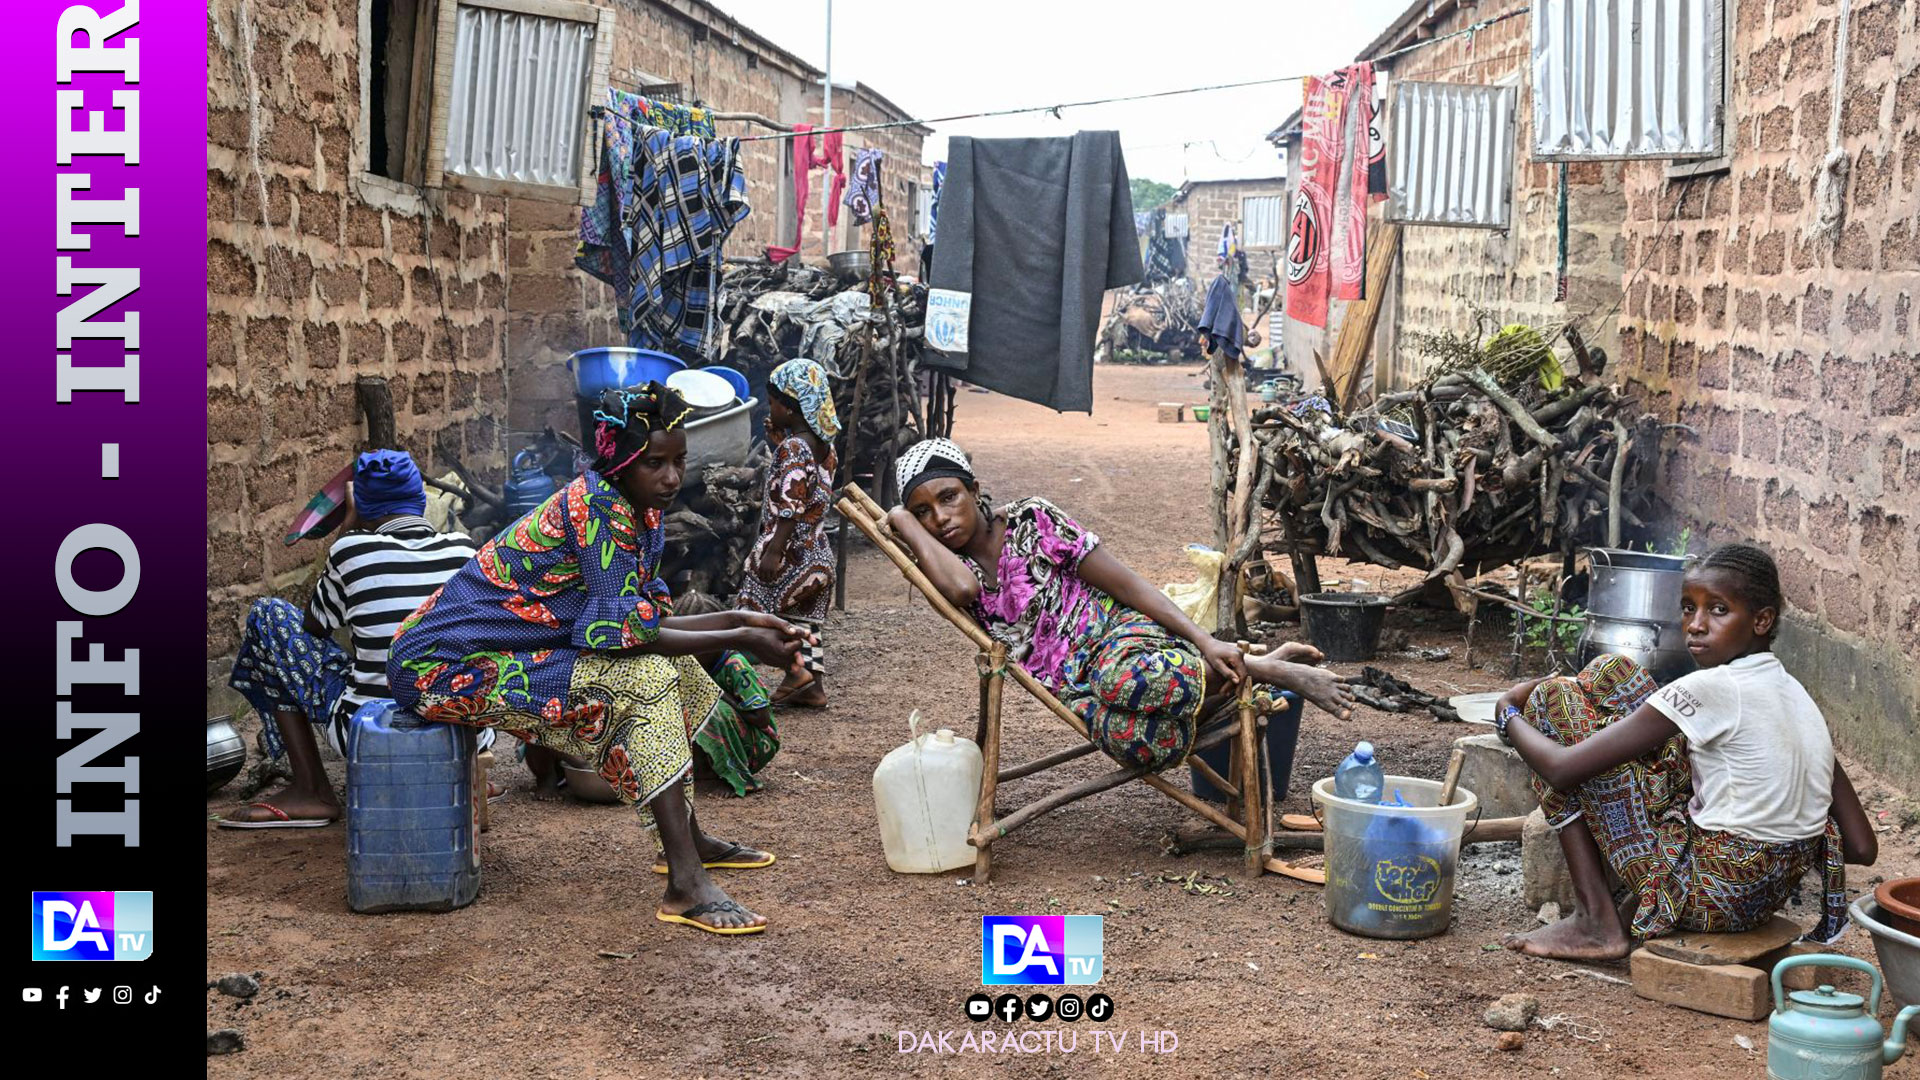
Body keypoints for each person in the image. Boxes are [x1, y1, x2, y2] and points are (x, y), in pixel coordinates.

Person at [388, 384, 814, 935]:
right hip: (437, 666)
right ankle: (685, 885)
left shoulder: (639, 509)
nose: (670, 477)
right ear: (621, 464)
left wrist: (745, 624)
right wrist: (741, 633)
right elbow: (621, 635)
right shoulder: (598, 509)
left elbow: (643, 621)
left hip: (501, 649)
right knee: (646, 679)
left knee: (675, 669)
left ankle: (685, 843)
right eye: (654, 463)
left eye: (679, 460)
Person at [884, 437, 1355, 774]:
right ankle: (1247, 669)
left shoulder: (1032, 519)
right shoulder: (947, 567)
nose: (940, 518)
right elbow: (965, 590)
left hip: (1120, 638)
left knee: (1119, 678)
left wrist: (1204, 639)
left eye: (949, 498)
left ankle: (1260, 668)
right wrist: (903, 519)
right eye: (924, 511)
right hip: (1075, 687)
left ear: (974, 489)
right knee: (1147, 743)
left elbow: (1127, 584)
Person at [1498, 543, 1876, 962]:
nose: (1695, 626)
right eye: (1687, 608)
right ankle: (1623, 904)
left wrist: (1508, 712)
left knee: (1552, 702)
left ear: (1762, 620)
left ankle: (1595, 921)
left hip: (1705, 897)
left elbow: (1561, 771)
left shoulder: (1712, 688)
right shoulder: (1798, 698)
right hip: (1764, 898)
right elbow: (1861, 848)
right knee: (1611, 673)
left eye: (1717, 610)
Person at [224, 450, 487, 828]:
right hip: (465, 729)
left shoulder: (352, 550)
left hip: (371, 733)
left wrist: (348, 527)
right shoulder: (464, 550)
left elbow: (315, 627)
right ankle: (473, 772)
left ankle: (311, 790)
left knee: (270, 616)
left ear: (361, 505)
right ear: (419, 500)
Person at [736, 357, 839, 708]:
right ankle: (813, 689)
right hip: (817, 555)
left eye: (774, 402)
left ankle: (795, 671)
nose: (771, 407)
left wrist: (774, 550)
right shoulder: (824, 448)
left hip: (789, 552)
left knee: (753, 617)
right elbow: (808, 484)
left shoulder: (794, 449)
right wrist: (778, 441)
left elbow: (792, 502)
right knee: (804, 623)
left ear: (792, 407)